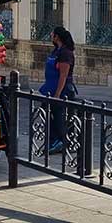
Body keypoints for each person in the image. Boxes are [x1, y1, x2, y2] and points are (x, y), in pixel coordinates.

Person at [39, 26, 77, 154]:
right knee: (47, 114)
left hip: (62, 90)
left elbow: (63, 75)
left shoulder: (65, 53)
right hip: (50, 88)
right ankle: (54, 140)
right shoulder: (56, 51)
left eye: (52, 35)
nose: (51, 37)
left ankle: (62, 141)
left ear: (57, 37)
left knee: (60, 118)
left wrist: (57, 94)